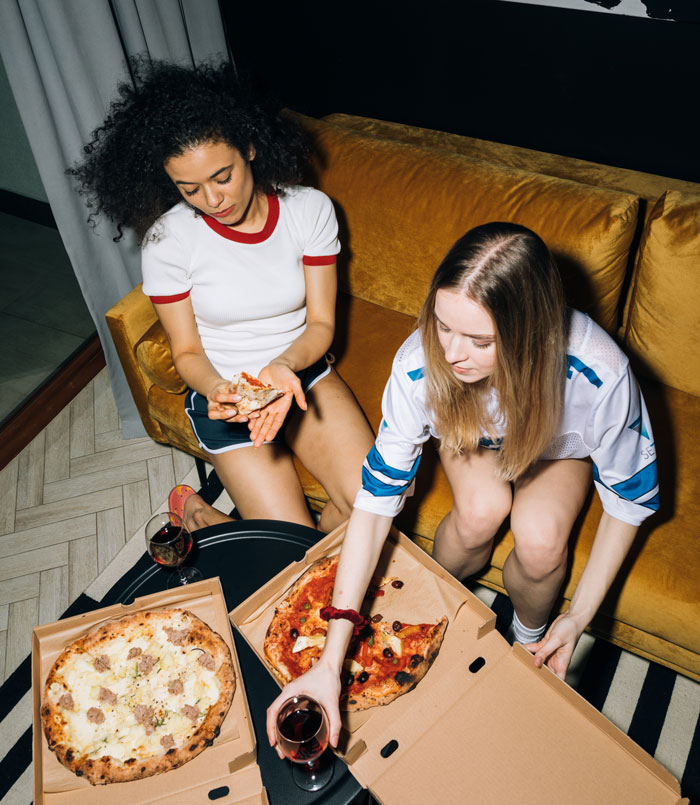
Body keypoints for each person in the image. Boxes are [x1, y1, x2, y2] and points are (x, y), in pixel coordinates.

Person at [266, 221, 658, 752]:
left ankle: (528, 644)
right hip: (470, 433)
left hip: (556, 448)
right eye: (442, 324)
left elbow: (630, 502)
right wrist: (332, 660)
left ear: (532, 335)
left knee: (541, 543)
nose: (450, 353)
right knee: (478, 514)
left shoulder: (601, 372)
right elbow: (375, 506)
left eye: (479, 340)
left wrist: (577, 618)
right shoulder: (420, 365)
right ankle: (437, 610)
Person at [71, 60, 373, 531]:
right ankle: (202, 514)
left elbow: (321, 326)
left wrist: (285, 368)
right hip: (227, 393)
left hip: (300, 373)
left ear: (250, 148)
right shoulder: (168, 241)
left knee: (375, 505)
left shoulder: (309, 211)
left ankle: (219, 521)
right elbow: (187, 351)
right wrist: (216, 390)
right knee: (291, 551)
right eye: (189, 188)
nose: (212, 200)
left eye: (223, 177)